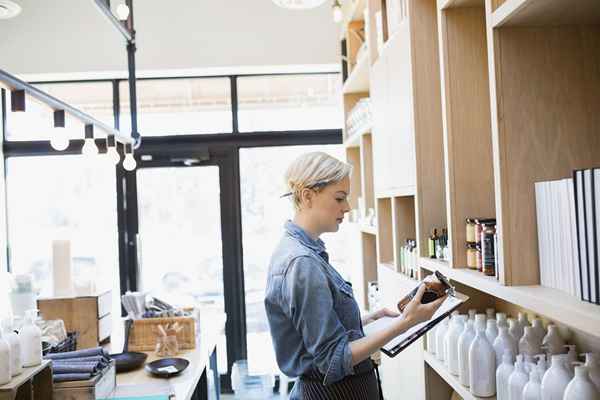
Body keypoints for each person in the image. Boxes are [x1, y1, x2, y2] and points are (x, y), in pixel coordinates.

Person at [264, 152, 446, 399]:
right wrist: (407, 323)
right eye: (340, 198)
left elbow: (314, 333)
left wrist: (369, 320)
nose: (347, 207)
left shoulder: (300, 251)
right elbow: (331, 361)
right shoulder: (302, 263)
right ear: (307, 196)